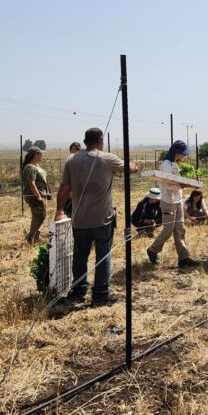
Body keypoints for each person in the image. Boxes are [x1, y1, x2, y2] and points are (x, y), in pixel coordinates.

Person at [54, 127, 137, 306]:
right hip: (102, 220)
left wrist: (59, 211)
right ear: (101, 141)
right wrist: (133, 164)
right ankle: (100, 294)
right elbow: (131, 169)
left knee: (80, 256)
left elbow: (63, 189)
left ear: (84, 142)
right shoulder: (108, 158)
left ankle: (78, 290)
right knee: (103, 256)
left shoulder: (71, 160)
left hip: (79, 220)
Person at [147, 140, 199, 268]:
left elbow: (176, 183)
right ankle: (153, 250)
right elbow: (169, 185)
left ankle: (183, 258)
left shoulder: (175, 164)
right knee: (168, 230)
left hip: (177, 200)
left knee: (180, 229)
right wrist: (184, 185)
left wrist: (183, 184)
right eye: (183, 153)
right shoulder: (166, 164)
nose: (184, 156)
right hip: (168, 201)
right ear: (176, 152)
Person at [22, 147, 50, 244]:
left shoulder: (35, 166)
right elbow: (31, 183)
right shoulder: (30, 167)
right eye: (41, 154)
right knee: (38, 216)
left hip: (40, 194)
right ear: (36, 154)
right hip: (34, 195)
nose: (42, 156)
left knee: (41, 216)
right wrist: (38, 196)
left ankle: (34, 235)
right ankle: (32, 238)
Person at [63, 143, 81, 217]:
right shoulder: (68, 162)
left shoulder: (82, 161)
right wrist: (69, 191)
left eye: (75, 149)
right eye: (72, 149)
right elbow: (67, 178)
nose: (73, 151)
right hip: (70, 189)